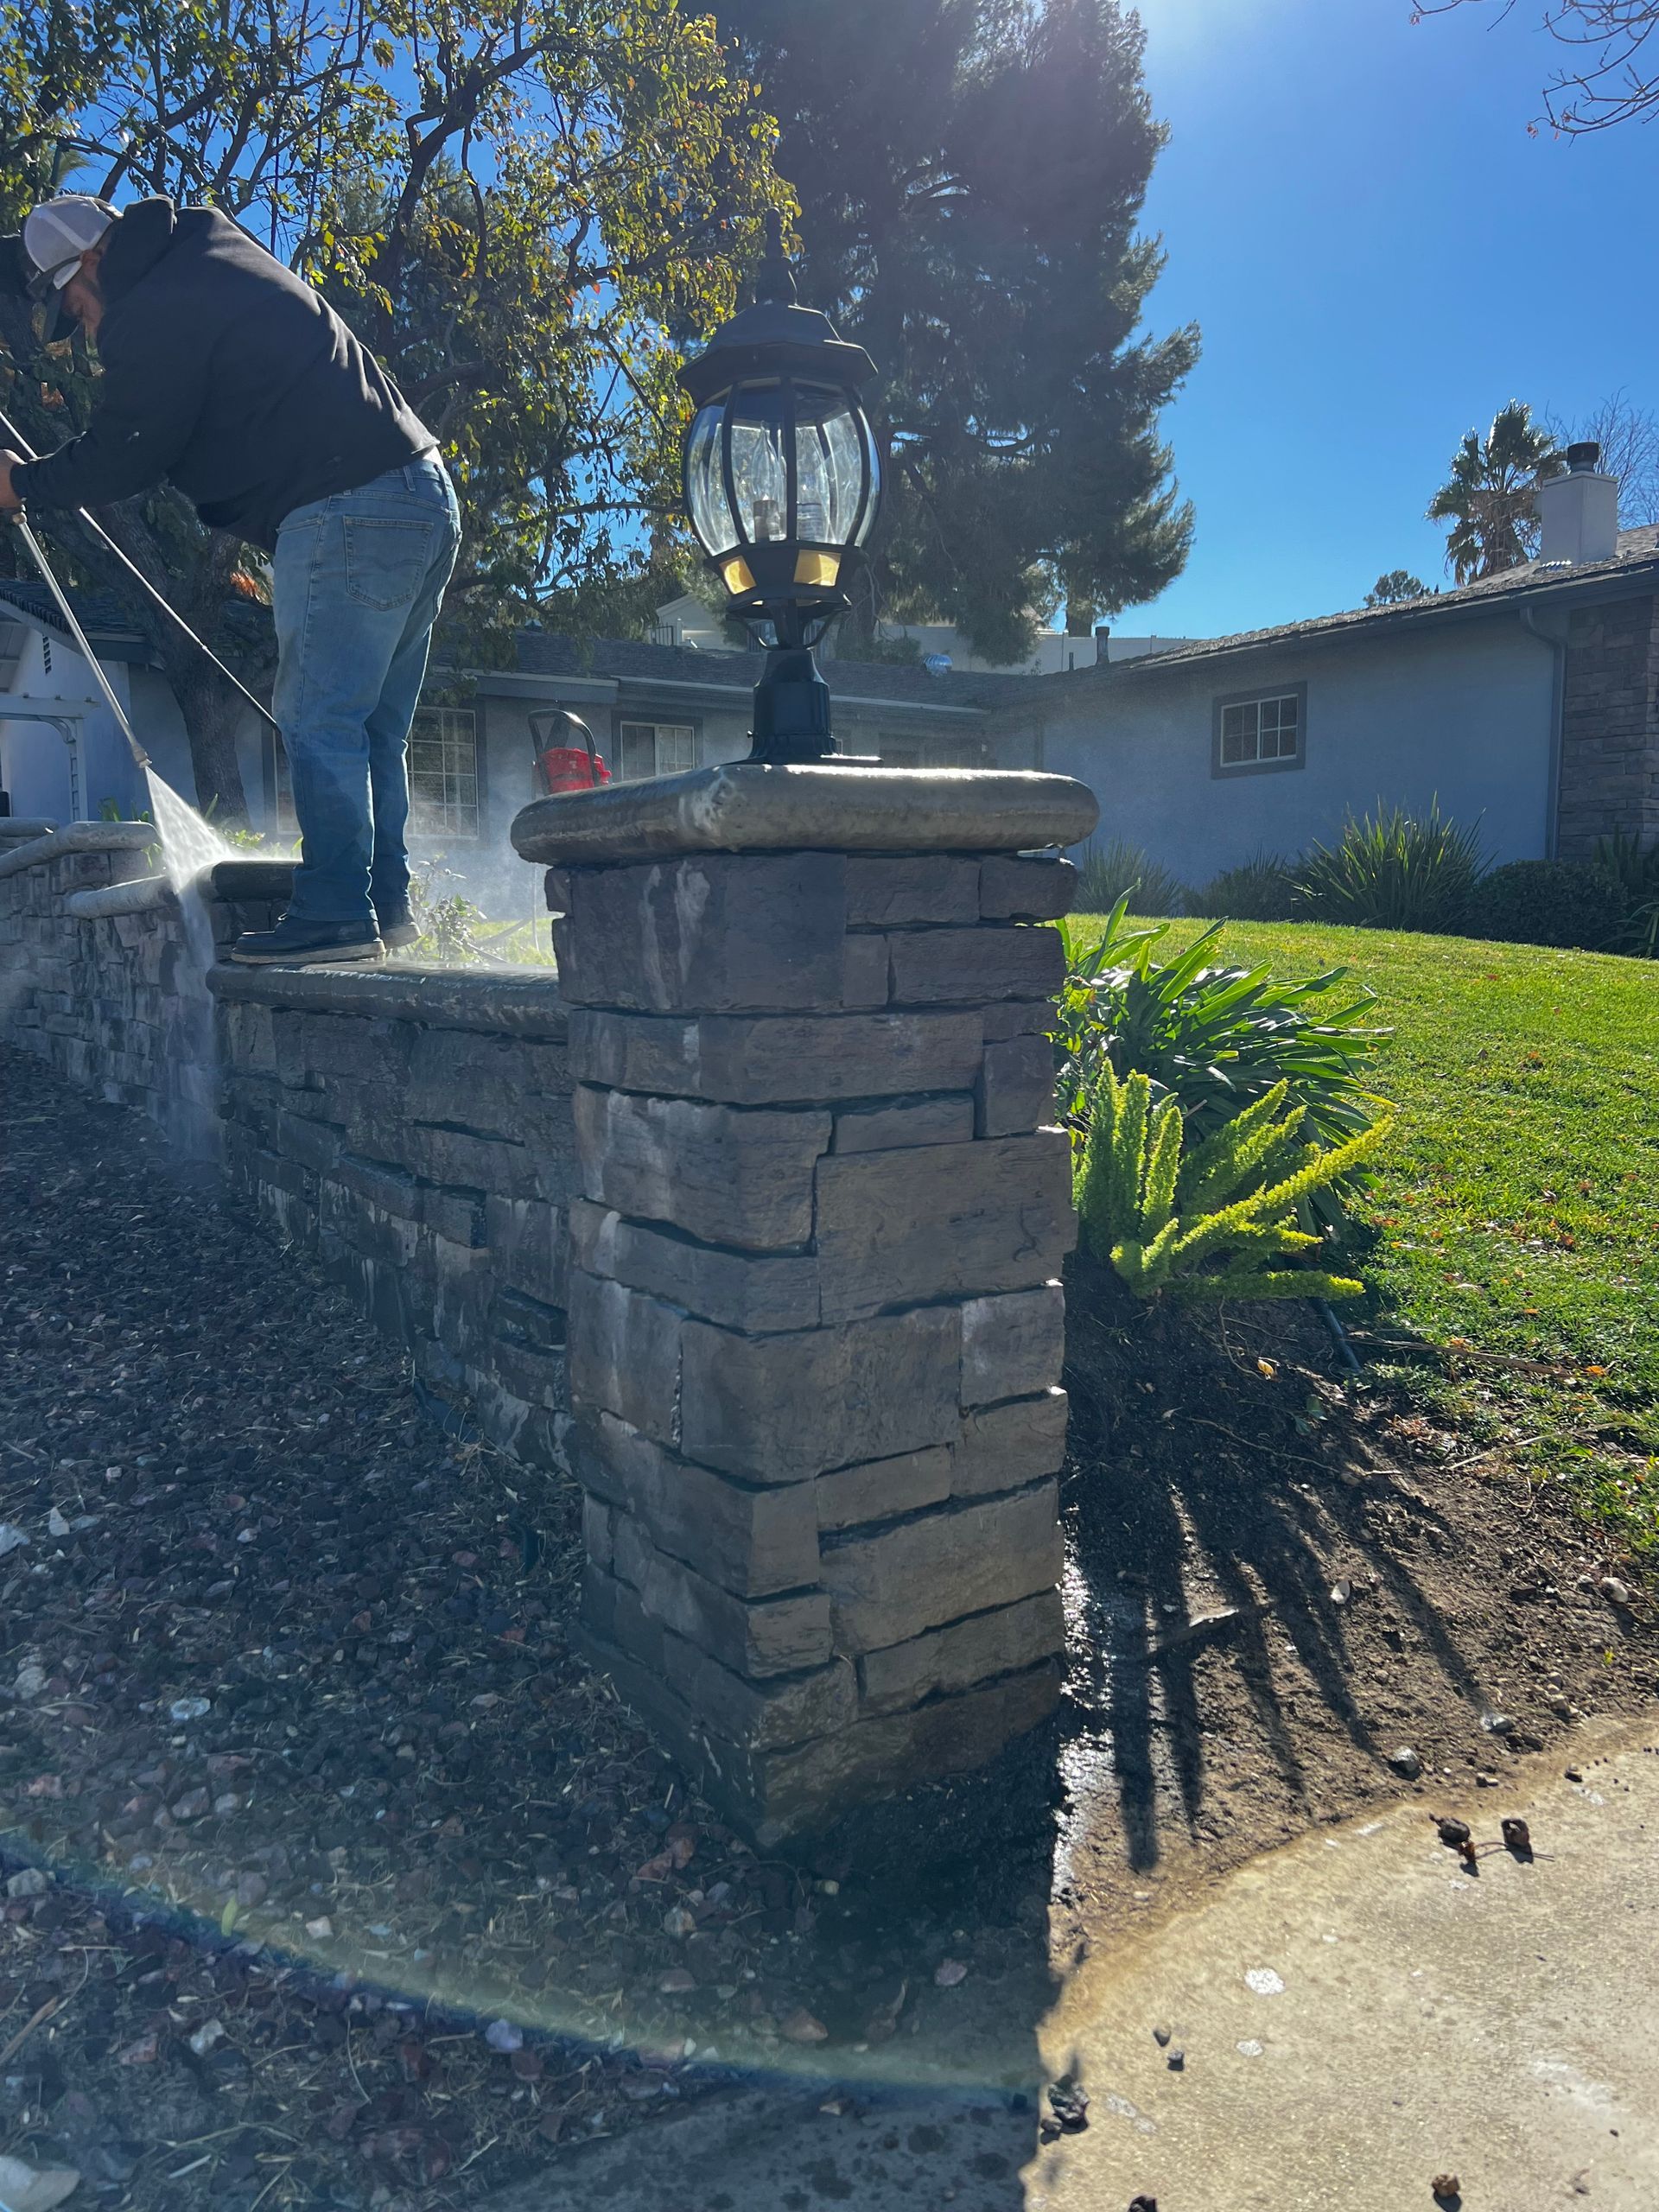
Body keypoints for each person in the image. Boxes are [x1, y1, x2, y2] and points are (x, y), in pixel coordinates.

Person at [0, 193, 461, 965]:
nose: (82, 329)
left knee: (318, 719)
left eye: (72, 309)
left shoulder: (150, 306)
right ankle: (383, 905)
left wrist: (25, 486)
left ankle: (338, 914)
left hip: (344, 507)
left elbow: (127, 450)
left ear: (90, 262)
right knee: (372, 727)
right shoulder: (205, 252)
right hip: (420, 498)